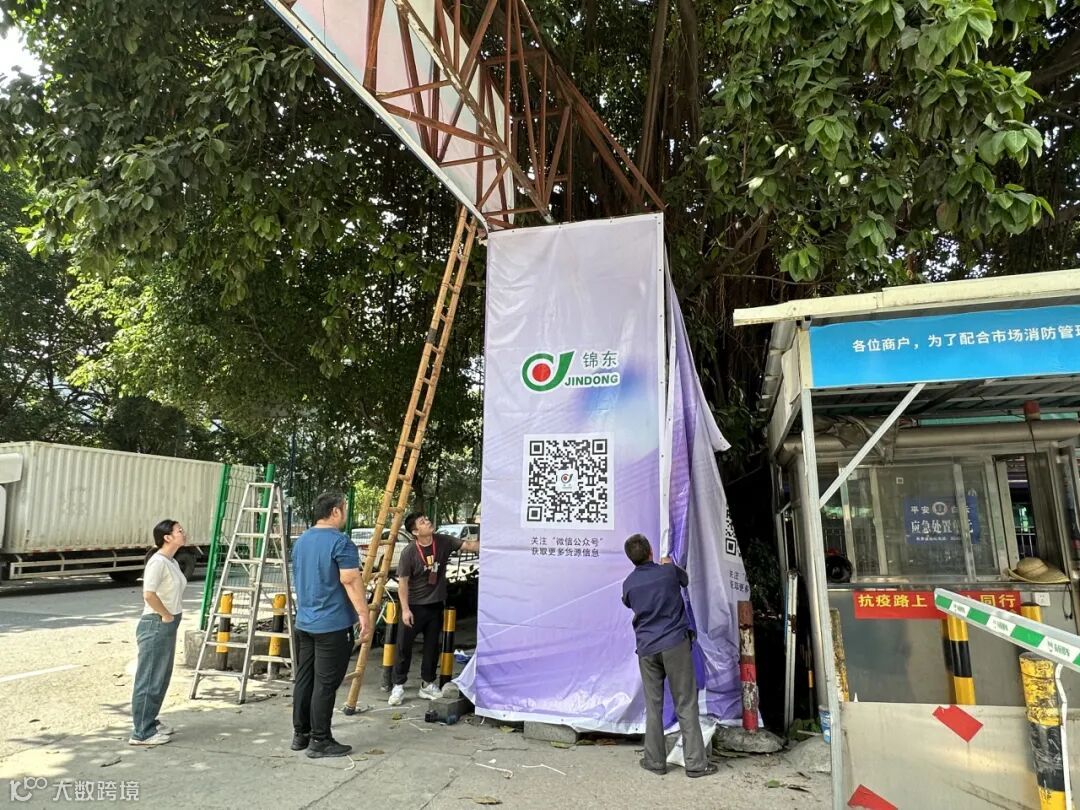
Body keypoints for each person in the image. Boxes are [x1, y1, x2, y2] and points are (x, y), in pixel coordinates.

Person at [621, 533, 717, 778]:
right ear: (651, 551)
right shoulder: (668, 572)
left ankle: (654, 761)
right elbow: (685, 580)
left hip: (647, 649)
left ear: (631, 559)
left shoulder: (629, 584)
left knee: (653, 706)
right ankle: (696, 764)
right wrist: (669, 564)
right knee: (685, 702)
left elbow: (628, 603)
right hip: (675, 644)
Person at [291, 492, 373, 759]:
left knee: (305, 679)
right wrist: (364, 614)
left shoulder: (302, 540)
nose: (345, 513)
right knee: (325, 684)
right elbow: (350, 579)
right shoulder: (340, 542)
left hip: (305, 621)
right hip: (332, 624)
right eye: (344, 508)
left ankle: (301, 734)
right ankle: (320, 740)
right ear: (335, 512)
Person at [388, 513, 479, 706]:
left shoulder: (443, 541)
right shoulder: (409, 552)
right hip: (413, 606)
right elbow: (402, 583)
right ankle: (398, 685)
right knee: (404, 647)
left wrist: (497, 540)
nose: (428, 522)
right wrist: (405, 610)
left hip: (436, 605)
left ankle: (427, 684)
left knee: (432, 646)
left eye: (427, 519)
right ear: (415, 532)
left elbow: (470, 546)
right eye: (422, 522)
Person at [129, 520, 188, 746]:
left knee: (161, 677)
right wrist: (165, 615)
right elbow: (149, 594)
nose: (183, 533)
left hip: (168, 623)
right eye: (179, 531)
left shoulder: (171, 561)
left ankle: (150, 721)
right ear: (167, 537)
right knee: (150, 678)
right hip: (156, 623)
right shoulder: (157, 562)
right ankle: (141, 732)